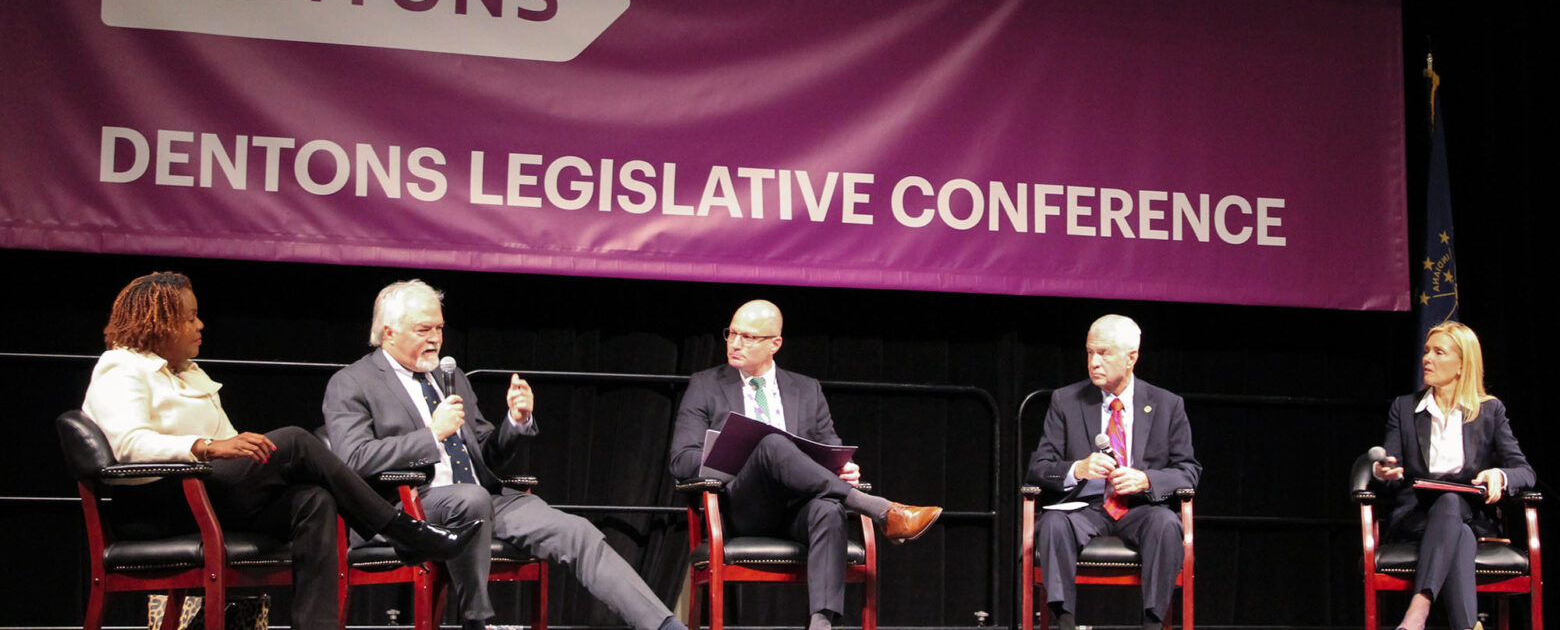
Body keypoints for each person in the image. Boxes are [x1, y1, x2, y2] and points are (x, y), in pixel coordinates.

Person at [80, 272, 480, 630]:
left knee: (313, 499)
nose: (199, 324)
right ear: (159, 323)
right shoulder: (121, 367)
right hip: (158, 506)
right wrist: (207, 447)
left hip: (208, 496)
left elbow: (235, 450)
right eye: (188, 317)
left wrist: (240, 453)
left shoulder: (190, 373)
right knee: (293, 440)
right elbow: (128, 446)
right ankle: (402, 531)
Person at [323, 280, 687, 630]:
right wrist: (431, 435)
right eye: (423, 330)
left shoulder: (450, 377)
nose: (435, 339)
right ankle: (476, 620)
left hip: (485, 500)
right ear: (389, 333)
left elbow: (485, 456)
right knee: (471, 498)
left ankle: (664, 623)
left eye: (439, 328)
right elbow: (353, 458)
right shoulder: (352, 383)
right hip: (409, 506)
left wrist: (514, 422)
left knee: (576, 531)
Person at [668, 299, 944, 630]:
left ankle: (821, 623)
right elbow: (681, 460)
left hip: (798, 509)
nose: (735, 343)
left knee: (828, 509)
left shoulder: (806, 389)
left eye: (749, 337)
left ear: (775, 344)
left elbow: (831, 448)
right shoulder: (706, 385)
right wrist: (738, 454)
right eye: (732, 333)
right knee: (770, 443)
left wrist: (844, 468)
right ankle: (880, 509)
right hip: (741, 508)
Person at [1026, 314, 1200, 630]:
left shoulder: (1167, 404)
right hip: (1085, 508)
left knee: (1166, 524)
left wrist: (1147, 479)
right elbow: (1038, 469)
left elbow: (1188, 471)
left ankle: (1153, 623)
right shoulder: (1065, 401)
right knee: (1052, 523)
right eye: (1090, 352)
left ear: (1131, 357)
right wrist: (1076, 469)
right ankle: (1063, 622)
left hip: (1140, 509)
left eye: (1104, 353)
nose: (1094, 362)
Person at [1370, 321, 1536, 630]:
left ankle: (1418, 611)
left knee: (1453, 505)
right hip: (1418, 518)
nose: (1427, 359)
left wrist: (1500, 474)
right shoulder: (1404, 408)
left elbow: (1525, 472)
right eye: (1426, 351)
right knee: (1454, 521)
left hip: (1474, 515)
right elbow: (1389, 465)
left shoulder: (1489, 411)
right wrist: (1385, 471)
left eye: (1438, 352)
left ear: (1461, 365)